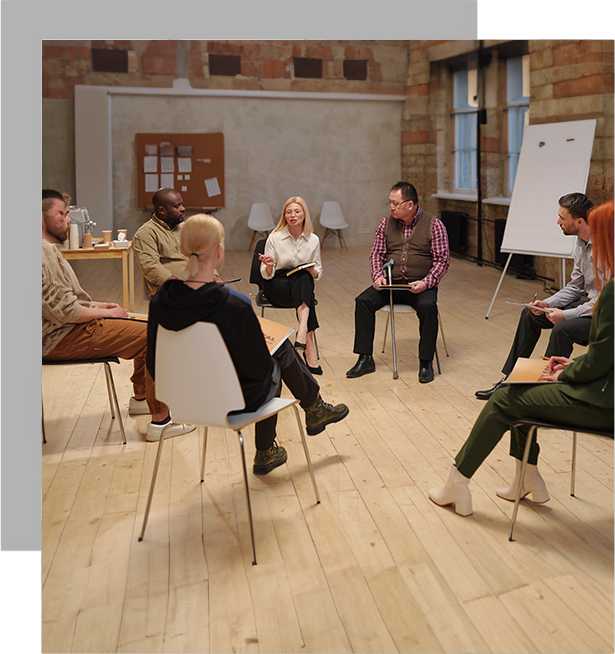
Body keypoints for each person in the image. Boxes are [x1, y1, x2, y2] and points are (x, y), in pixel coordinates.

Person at [428, 200, 614, 517]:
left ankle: (457, 484)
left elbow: (599, 361)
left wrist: (564, 374)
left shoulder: (611, 294)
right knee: (522, 382)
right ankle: (527, 479)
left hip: (602, 401)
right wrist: (570, 362)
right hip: (602, 387)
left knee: (505, 398)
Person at [146, 213, 350, 476]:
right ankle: (291, 426)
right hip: (231, 401)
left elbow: (153, 362)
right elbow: (258, 371)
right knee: (280, 350)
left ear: (182, 250)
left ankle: (309, 412)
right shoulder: (233, 305)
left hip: (182, 400)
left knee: (276, 352)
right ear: (219, 252)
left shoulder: (159, 303)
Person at [41, 189, 195, 442]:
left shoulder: (47, 250)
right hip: (60, 337)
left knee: (150, 326)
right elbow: (66, 312)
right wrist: (103, 312)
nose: (68, 220)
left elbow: (69, 302)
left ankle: (142, 399)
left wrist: (105, 306)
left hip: (67, 329)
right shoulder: (41, 254)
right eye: (61, 214)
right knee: (157, 335)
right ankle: (161, 421)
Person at [476, 192, 596, 400]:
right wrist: (546, 303)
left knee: (562, 329)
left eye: (562, 217)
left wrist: (566, 315)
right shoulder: (580, 242)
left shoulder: (607, 247)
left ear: (579, 221)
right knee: (530, 314)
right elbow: (575, 287)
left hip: (606, 313)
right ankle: (509, 380)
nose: (557, 221)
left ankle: (542, 391)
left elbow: (605, 300)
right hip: (591, 306)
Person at [346, 181, 450, 383]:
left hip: (420, 285)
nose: (391, 207)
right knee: (363, 301)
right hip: (390, 283)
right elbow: (376, 254)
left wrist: (426, 283)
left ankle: (426, 361)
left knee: (429, 306)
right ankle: (365, 358)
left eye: (395, 203)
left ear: (410, 204)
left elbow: (442, 261)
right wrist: (377, 276)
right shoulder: (385, 223)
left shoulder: (434, 225)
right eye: (390, 203)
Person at [133, 187, 250, 303]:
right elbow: (151, 267)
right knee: (228, 307)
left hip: (200, 284)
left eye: (182, 204)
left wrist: (213, 276)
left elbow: (203, 254)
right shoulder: (146, 233)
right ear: (162, 210)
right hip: (171, 291)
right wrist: (178, 285)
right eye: (177, 206)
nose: (183, 208)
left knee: (243, 301)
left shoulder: (187, 228)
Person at [259, 197, 323, 374]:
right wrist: (269, 264)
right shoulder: (275, 237)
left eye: (297, 211)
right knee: (306, 292)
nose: (293, 215)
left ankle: (302, 332)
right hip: (277, 284)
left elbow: (318, 273)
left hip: (301, 283)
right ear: (284, 216)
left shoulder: (314, 239)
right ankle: (309, 350)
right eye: (289, 212)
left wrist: (311, 270)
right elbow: (265, 273)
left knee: (304, 277)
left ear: (304, 215)